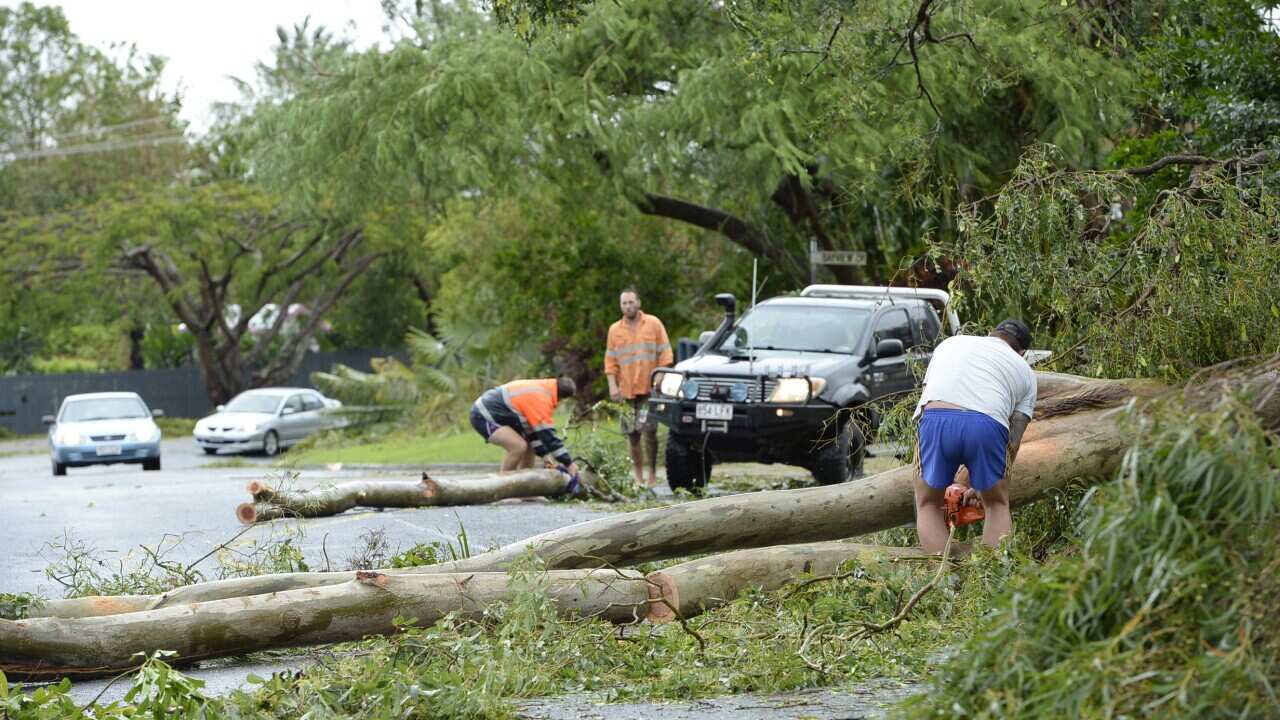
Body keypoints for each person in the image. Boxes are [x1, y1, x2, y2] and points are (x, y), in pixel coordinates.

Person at [912, 319, 1037, 553]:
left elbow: (930, 390)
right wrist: (985, 484)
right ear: (1022, 352)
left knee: (928, 503)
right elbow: (1013, 440)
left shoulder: (950, 343)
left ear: (989, 332)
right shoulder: (1026, 372)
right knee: (997, 504)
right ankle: (990, 578)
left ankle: (942, 583)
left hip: (937, 415)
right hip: (988, 425)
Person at [605, 287, 673, 488]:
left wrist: (661, 375)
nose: (628, 306)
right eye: (624, 303)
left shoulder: (653, 324)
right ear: (621, 306)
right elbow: (610, 361)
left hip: (648, 391)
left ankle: (652, 473)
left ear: (639, 303)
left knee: (649, 431)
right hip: (627, 392)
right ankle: (638, 475)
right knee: (631, 433)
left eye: (631, 302)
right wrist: (612, 386)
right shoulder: (614, 330)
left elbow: (666, 354)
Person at [470, 377, 580, 481]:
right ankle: (506, 490)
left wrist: (544, 455)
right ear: (563, 398)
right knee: (518, 446)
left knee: (529, 446)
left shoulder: (545, 388)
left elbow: (532, 433)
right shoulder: (541, 399)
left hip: (499, 414)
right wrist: (568, 463)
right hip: (483, 415)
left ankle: (525, 490)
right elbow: (548, 437)